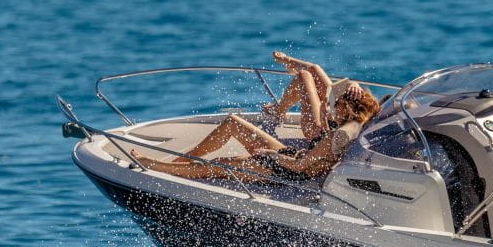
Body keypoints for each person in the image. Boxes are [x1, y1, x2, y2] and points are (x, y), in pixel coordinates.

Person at [132, 53, 380, 181]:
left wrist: (270, 155)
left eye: (335, 104)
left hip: (288, 172)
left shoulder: (340, 134)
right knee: (232, 123)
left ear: (347, 109)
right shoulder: (360, 117)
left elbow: (300, 166)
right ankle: (181, 161)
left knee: (222, 165)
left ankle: (155, 166)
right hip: (288, 158)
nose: (330, 107)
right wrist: (355, 85)